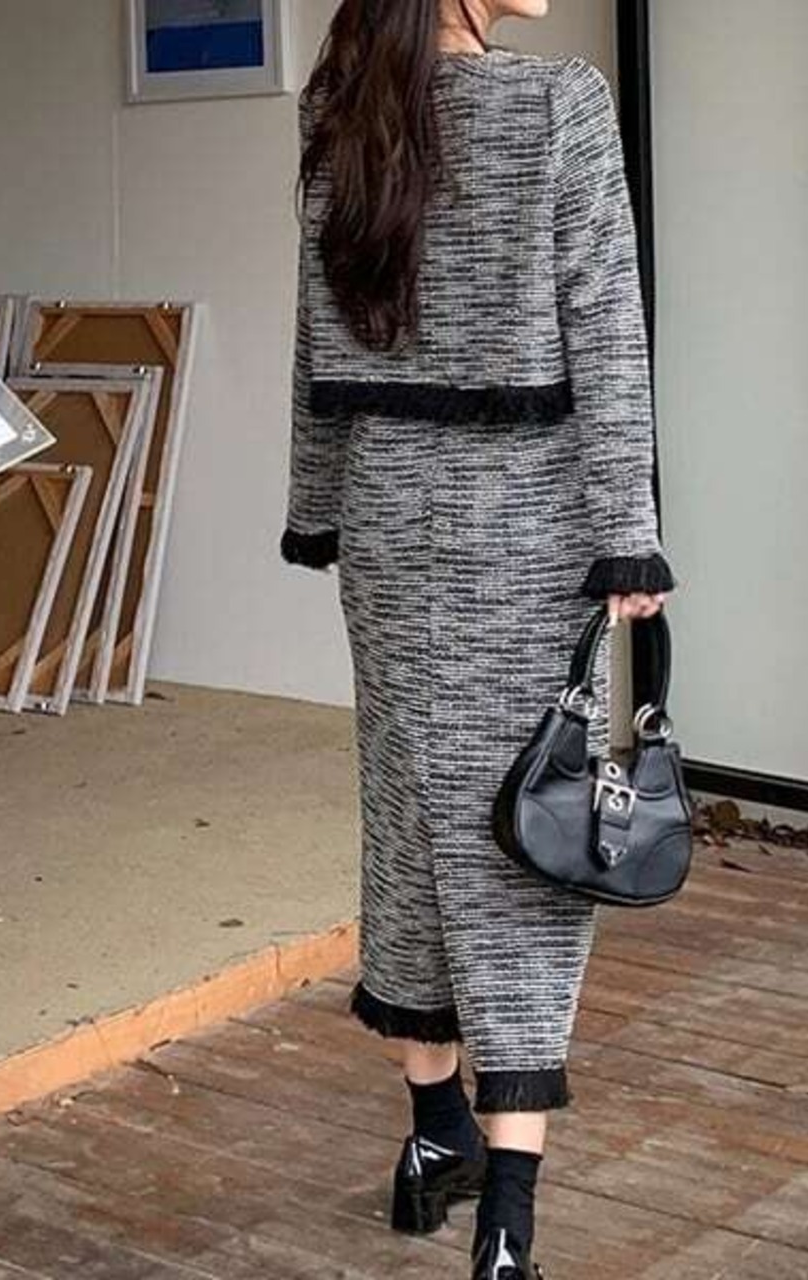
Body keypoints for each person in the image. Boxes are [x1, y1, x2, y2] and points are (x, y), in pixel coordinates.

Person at [280, 1, 675, 1274]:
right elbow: (605, 327)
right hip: (525, 524)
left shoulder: (342, 111)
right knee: (523, 825)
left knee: (409, 811)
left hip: (389, 518)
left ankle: (433, 1133)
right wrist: (628, 535)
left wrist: (314, 506)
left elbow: (317, 339)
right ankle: (507, 1218)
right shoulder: (558, 103)